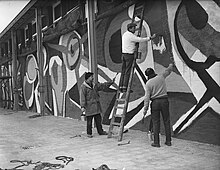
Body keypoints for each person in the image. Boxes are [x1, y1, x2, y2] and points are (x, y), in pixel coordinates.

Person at [119, 22, 156, 92]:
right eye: (134, 28)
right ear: (130, 28)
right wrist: (150, 38)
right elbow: (140, 40)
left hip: (124, 55)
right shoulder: (130, 36)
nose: (135, 29)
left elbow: (131, 42)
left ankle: (121, 86)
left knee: (123, 71)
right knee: (128, 72)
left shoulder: (125, 35)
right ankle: (125, 87)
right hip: (129, 55)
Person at [143, 63, 174, 147]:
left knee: (156, 122)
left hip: (155, 103)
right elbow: (168, 71)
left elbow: (146, 98)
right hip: (164, 101)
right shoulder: (161, 77)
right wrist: (171, 65)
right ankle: (168, 141)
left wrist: (145, 110)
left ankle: (156, 142)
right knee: (166, 121)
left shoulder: (148, 83)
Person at [80, 72, 115, 138]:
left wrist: (110, 82)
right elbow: (82, 97)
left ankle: (100, 131)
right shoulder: (83, 87)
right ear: (87, 78)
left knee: (98, 120)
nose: (92, 78)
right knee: (89, 122)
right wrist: (82, 106)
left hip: (96, 107)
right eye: (91, 77)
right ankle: (89, 133)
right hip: (89, 107)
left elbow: (102, 86)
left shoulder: (94, 85)